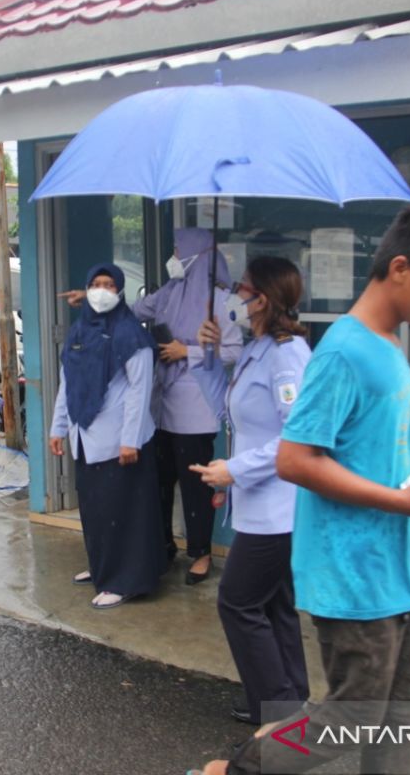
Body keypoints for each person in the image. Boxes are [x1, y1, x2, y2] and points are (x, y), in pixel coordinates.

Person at [196, 200, 410, 775]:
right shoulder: (343, 352)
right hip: (355, 575)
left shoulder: (389, 347)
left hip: (402, 571)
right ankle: (238, 770)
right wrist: (406, 502)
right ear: (401, 269)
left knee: (407, 711)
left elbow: (378, 456)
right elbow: (297, 461)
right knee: (351, 717)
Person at [187, 257, 311, 726]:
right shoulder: (259, 348)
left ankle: (281, 715)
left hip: (280, 508)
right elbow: (227, 407)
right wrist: (208, 355)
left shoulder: (287, 355)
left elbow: (297, 438)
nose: (235, 295)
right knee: (273, 605)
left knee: (237, 602)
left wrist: (235, 470)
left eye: (243, 288)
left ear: (264, 298)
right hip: (260, 506)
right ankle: (286, 701)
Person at [49, 263, 167, 609]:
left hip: (120, 441)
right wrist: (58, 428)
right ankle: (103, 567)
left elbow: (139, 391)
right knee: (96, 509)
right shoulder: (79, 332)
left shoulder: (131, 335)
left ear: (120, 291)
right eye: (96, 284)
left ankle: (126, 580)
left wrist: (129, 439)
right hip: (86, 437)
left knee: (125, 512)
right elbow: (67, 385)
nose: (102, 291)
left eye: (109, 285)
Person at [132, 228, 242, 584]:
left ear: (196, 254)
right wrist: (96, 299)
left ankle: (201, 553)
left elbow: (234, 351)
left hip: (197, 408)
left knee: (196, 488)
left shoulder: (223, 301)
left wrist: (188, 351)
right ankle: (163, 544)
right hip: (162, 404)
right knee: (161, 482)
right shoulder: (169, 292)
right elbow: (136, 311)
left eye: (179, 249)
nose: (174, 256)